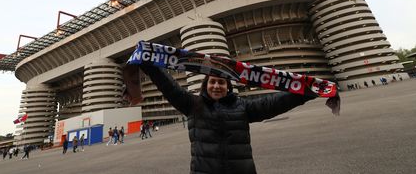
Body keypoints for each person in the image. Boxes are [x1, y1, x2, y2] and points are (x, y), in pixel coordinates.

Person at [135, 65, 320, 174]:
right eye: (212, 82)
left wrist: (306, 92)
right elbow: (168, 86)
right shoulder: (192, 104)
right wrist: (147, 63)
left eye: (221, 82)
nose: (216, 86)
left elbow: (272, 104)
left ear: (228, 87)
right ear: (205, 86)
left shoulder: (242, 107)